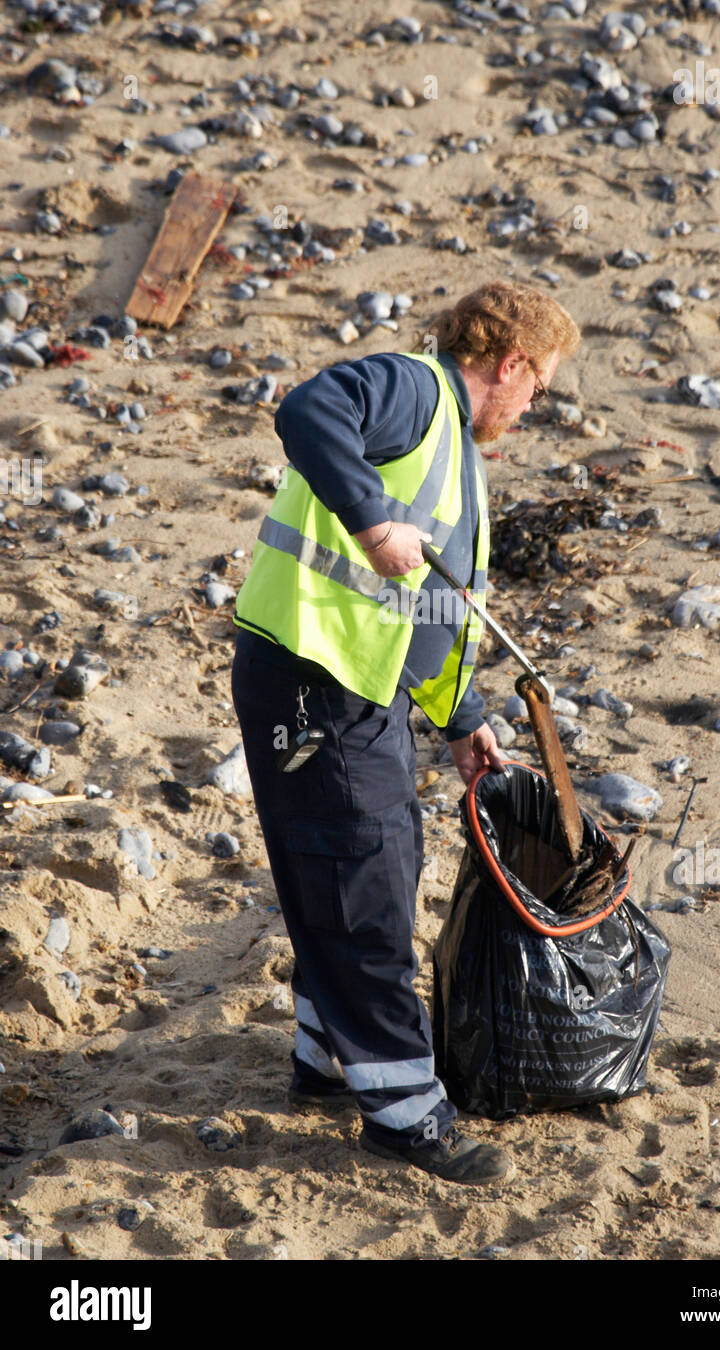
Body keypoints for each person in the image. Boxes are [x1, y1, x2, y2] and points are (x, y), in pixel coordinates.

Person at [231, 280, 580, 1185]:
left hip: (354, 685)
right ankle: (403, 1115)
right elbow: (308, 407)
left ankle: (323, 1059)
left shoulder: (451, 448)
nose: (533, 403)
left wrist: (460, 719)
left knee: (351, 864)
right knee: (363, 887)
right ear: (508, 364)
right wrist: (371, 517)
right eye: (537, 385)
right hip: (315, 679)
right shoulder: (416, 392)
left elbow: (424, 605)